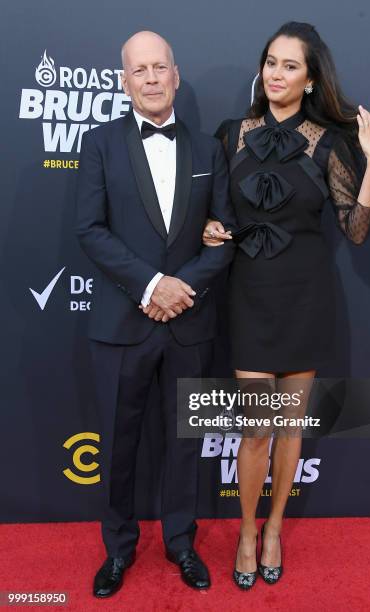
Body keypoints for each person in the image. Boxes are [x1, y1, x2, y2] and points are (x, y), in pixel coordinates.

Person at [203, 21, 370, 589]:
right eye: (271, 62)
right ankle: (248, 530)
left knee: (288, 426)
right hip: (249, 294)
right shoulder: (231, 134)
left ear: (310, 80)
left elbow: (355, 230)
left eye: (290, 66)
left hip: (306, 295)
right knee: (255, 428)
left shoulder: (328, 144)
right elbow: (212, 215)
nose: (276, 74)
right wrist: (211, 228)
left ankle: (276, 527)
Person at [75, 30, 235, 596]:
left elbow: (224, 236)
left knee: (184, 445)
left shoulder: (209, 150)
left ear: (175, 75)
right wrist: (150, 286)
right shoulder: (98, 143)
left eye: (158, 68)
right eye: (138, 70)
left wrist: (180, 289)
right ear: (124, 81)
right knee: (118, 446)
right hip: (122, 325)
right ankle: (117, 550)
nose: (149, 78)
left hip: (189, 323)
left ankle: (181, 543)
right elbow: (89, 229)